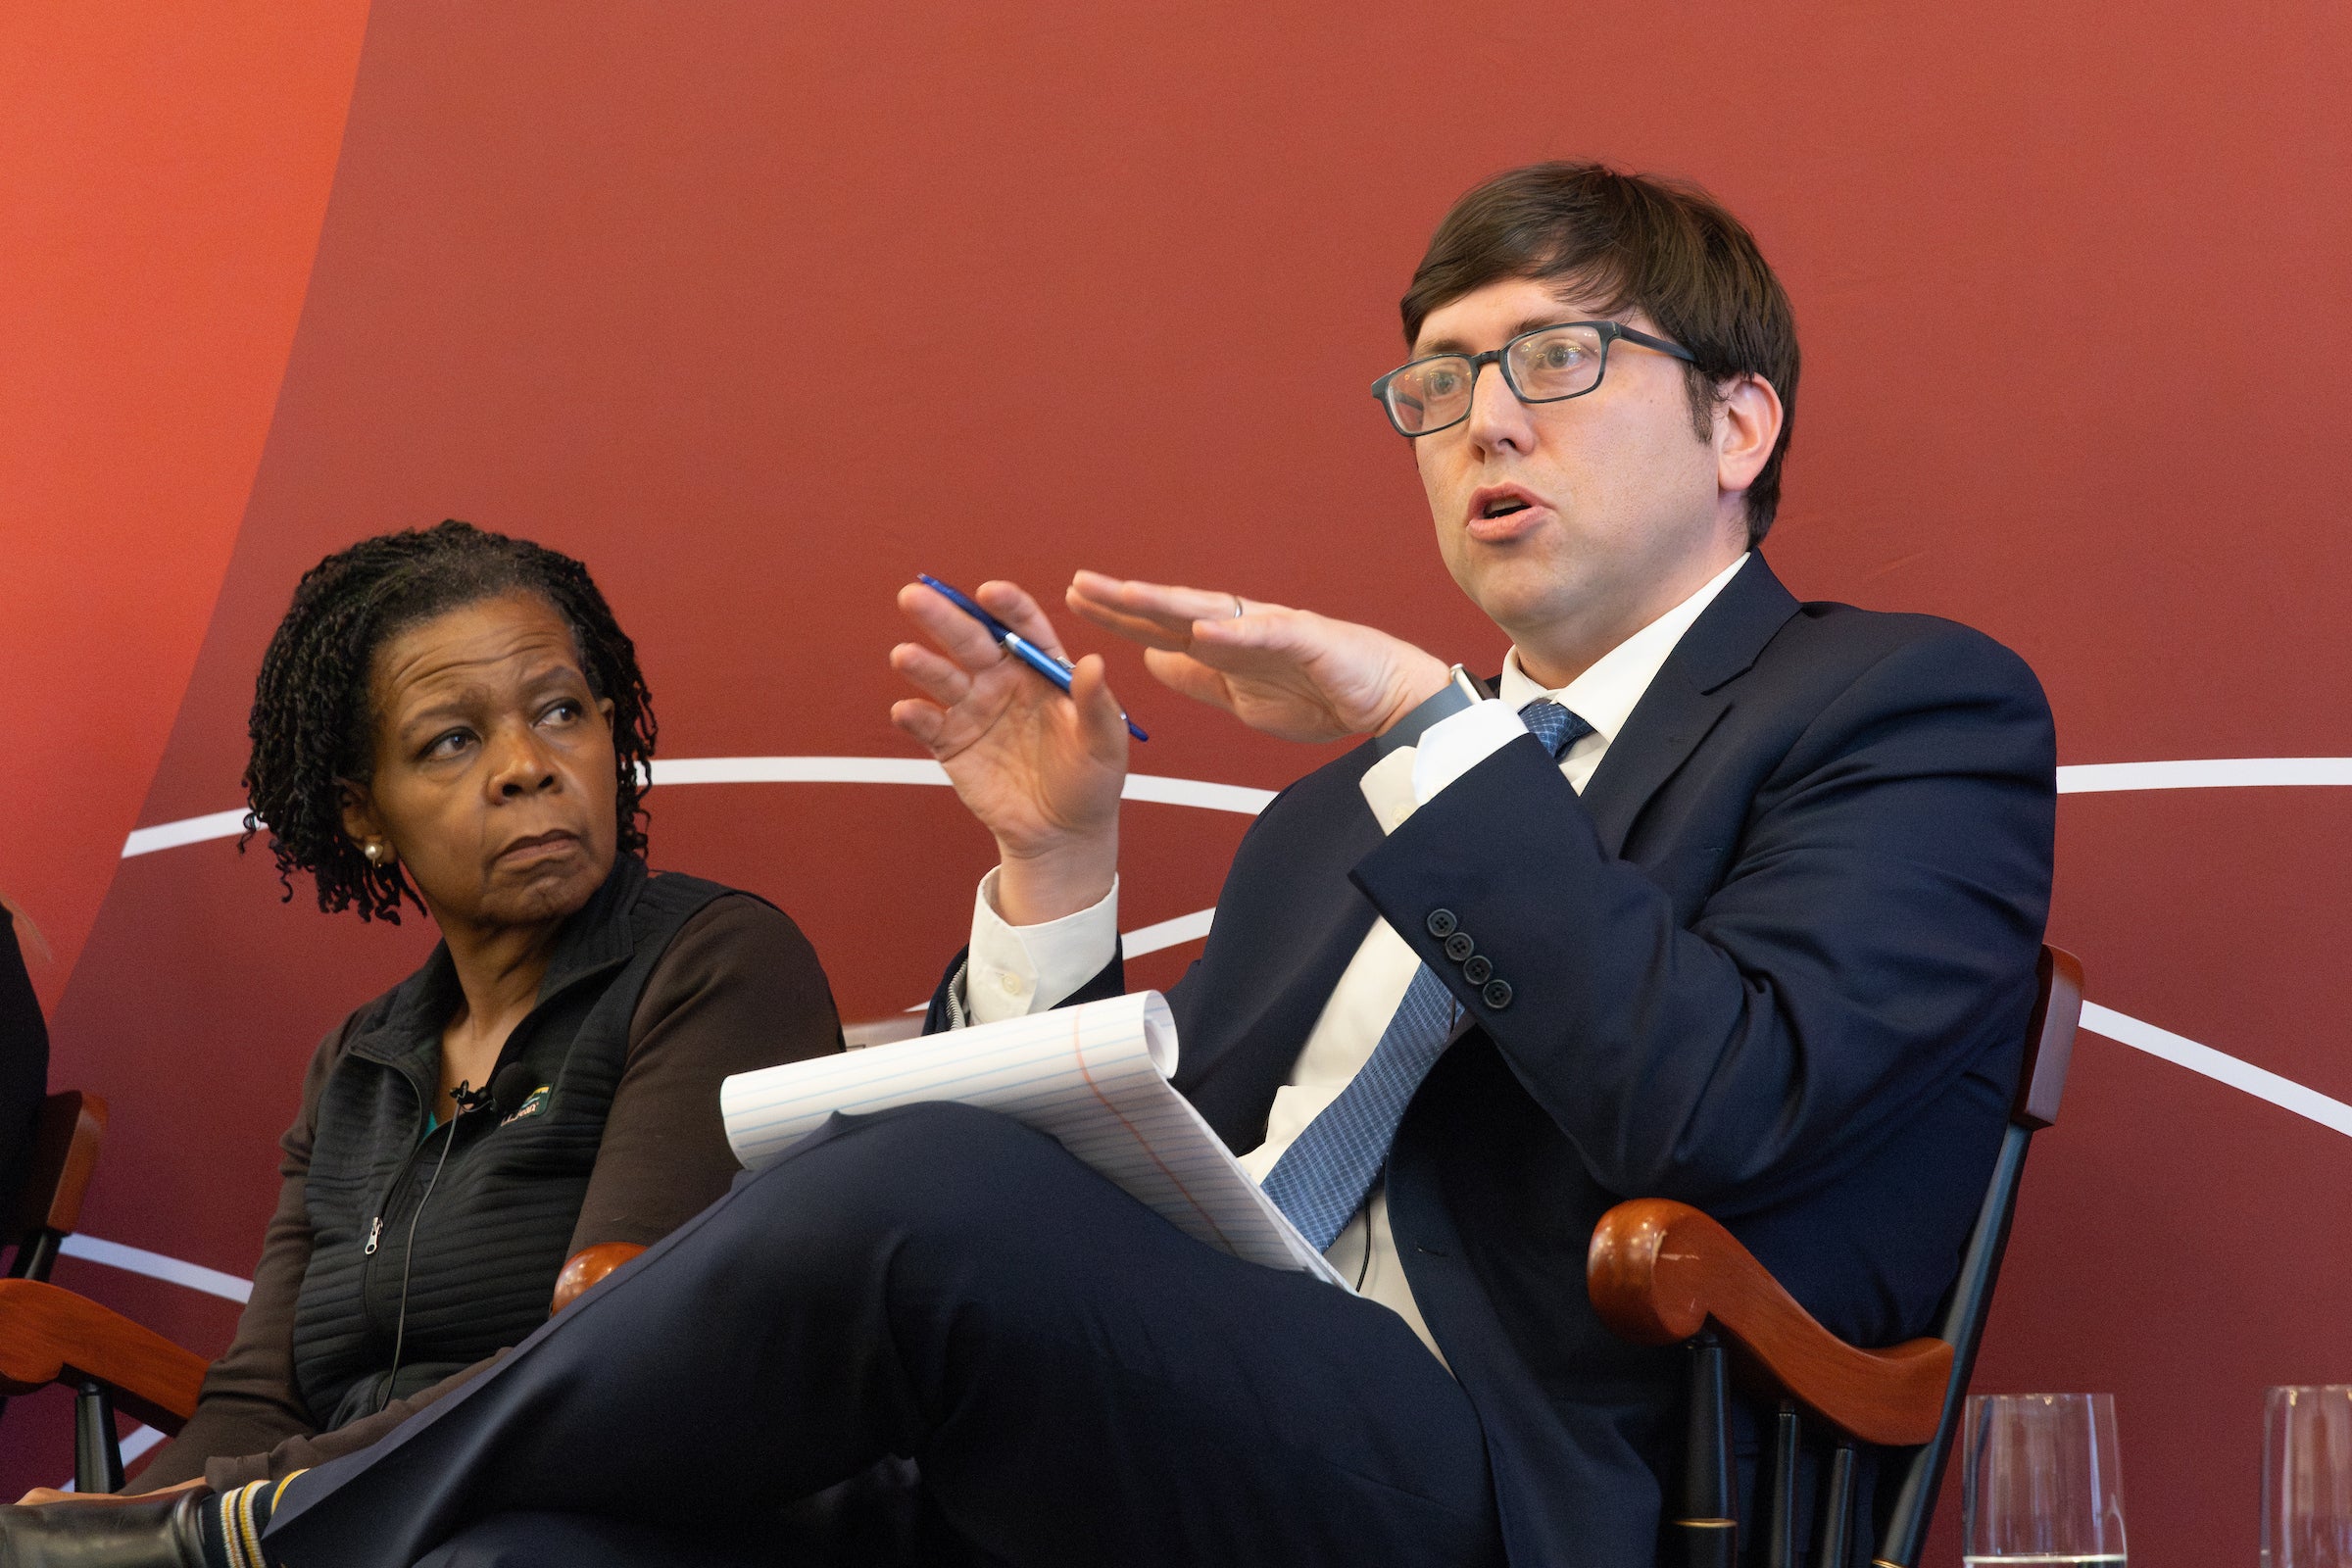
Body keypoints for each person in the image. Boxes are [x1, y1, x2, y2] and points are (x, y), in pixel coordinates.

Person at [5, 162, 2053, 1568]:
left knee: (913, 1185)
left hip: (1519, 1470)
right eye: (1431, 385)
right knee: (538, 1545)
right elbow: (1119, 1176)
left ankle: (253, 1523)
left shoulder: (1899, 710)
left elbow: (1714, 1099)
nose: (1472, 422)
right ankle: (307, 1524)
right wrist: (1058, 874)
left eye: (1550, 361)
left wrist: (1436, 732)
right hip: (1162, 1429)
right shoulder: (1332, 820)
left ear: (1740, 422)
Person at [0, 521, 845, 1561]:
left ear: (613, 738)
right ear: (365, 811)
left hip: (592, 1527)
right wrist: (101, 1534)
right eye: (454, 740)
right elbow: (260, 1395)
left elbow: (602, 1360)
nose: (527, 768)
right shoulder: (357, 1061)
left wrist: (204, 1523)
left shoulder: (717, 963)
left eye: (560, 713)